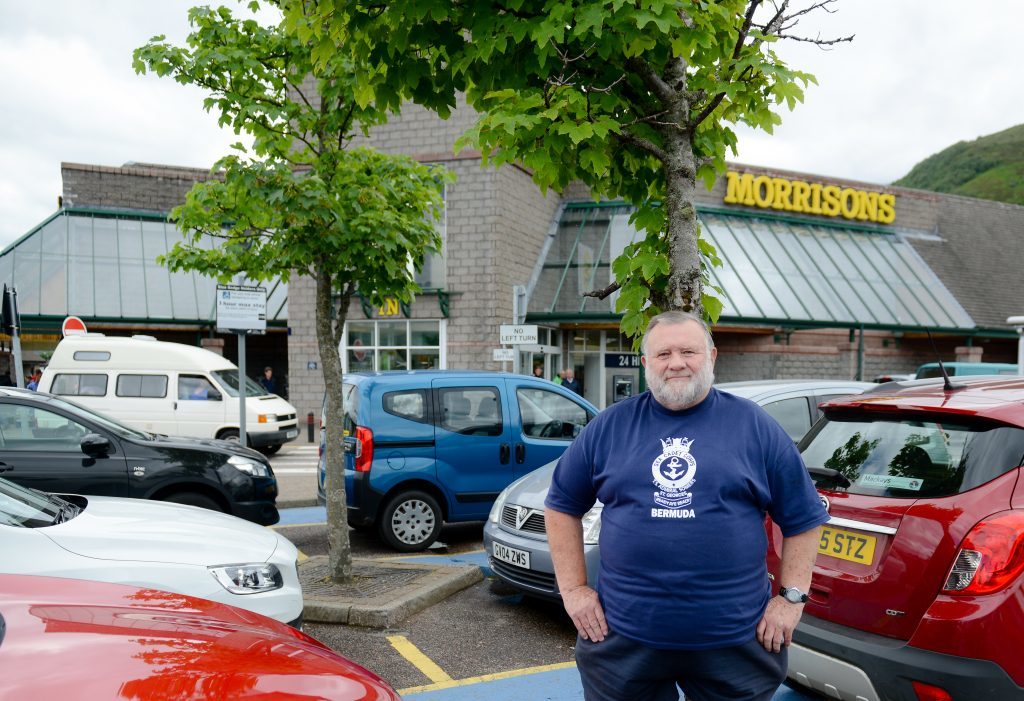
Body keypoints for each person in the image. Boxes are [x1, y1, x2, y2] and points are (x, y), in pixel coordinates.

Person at [545, 311, 827, 701]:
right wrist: (574, 590)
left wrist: (791, 598)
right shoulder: (609, 427)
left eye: (688, 351)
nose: (675, 362)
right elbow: (560, 506)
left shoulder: (755, 427)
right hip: (623, 640)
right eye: (663, 354)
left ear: (711, 356)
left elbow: (804, 518)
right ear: (646, 364)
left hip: (735, 642)